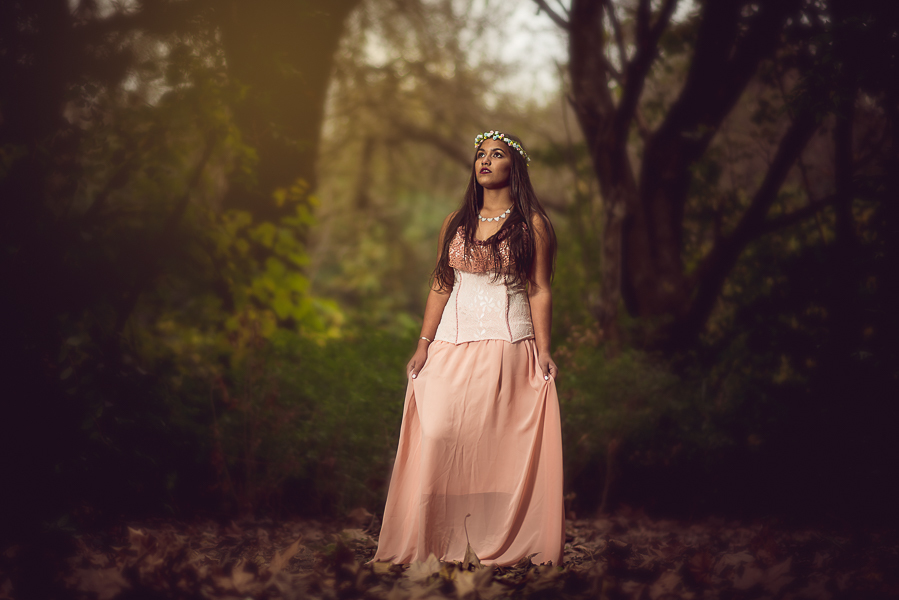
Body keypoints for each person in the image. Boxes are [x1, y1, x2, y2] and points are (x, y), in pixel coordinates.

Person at [372, 131, 564, 566]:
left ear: (514, 168)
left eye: (497, 155)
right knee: (439, 434)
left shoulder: (532, 224)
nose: (486, 161)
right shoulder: (455, 222)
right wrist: (423, 343)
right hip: (449, 346)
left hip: (507, 345)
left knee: (493, 447)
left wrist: (545, 349)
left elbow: (539, 290)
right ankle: (435, 540)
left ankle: (486, 541)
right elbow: (442, 284)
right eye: (480, 154)